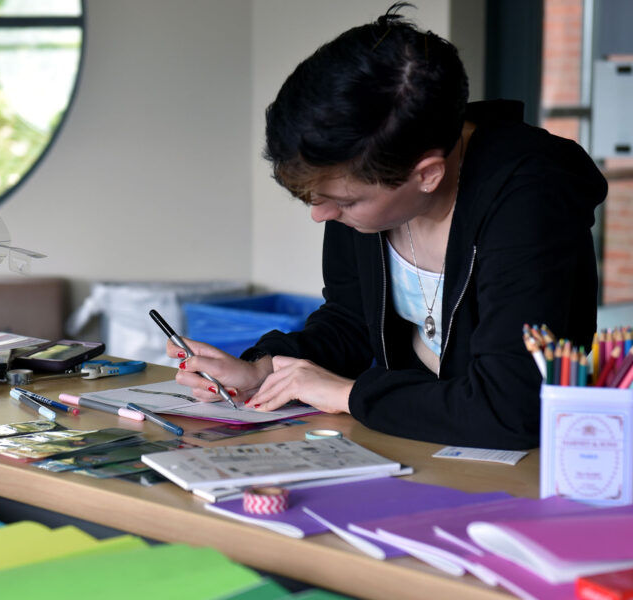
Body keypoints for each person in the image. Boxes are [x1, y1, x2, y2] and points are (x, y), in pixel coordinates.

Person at [167, 3, 607, 450]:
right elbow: (351, 318)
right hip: (423, 440)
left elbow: (509, 407)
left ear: (427, 174)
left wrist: (346, 393)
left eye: (342, 201)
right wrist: (265, 369)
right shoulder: (360, 168)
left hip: (531, 461)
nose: (320, 215)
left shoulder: (529, 195)